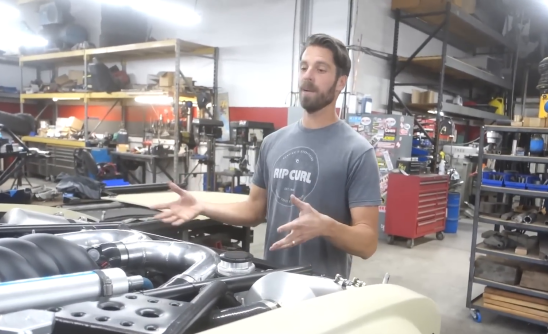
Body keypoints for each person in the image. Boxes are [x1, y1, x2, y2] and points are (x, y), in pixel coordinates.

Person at [153, 33, 381, 278]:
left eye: (321, 69)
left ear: (340, 83)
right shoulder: (273, 142)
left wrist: (328, 227)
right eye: (304, 67)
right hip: (271, 283)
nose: (308, 75)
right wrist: (201, 206)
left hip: (323, 295)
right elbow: (254, 210)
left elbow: (367, 243)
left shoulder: (357, 151)